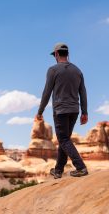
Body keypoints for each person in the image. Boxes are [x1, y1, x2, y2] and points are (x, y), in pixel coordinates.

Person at [36, 42, 88, 178]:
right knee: (65, 140)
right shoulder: (77, 70)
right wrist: (85, 112)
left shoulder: (53, 70)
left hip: (61, 110)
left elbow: (46, 92)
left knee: (63, 139)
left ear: (57, 54)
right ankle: (58, 170)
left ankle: (81, 167)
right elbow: (83, 92)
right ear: (67, 54)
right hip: (75, 110)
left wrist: (40, 112)